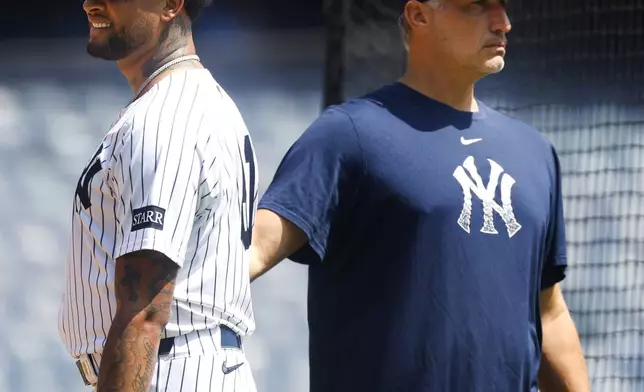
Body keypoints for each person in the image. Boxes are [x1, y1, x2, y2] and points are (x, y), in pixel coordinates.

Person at [249, 0, 591, 391]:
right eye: (476, 7)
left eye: (504, 8)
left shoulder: (535, 152)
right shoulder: (347, 135)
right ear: (419, 15)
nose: (503, 24)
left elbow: (549, 314)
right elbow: (254, 250)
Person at [58, 0, 259, 391]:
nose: (89, 3)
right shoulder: (193, 100)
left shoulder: (164, 119)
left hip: (169, 369)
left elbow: (144, 314)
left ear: (170, 5)